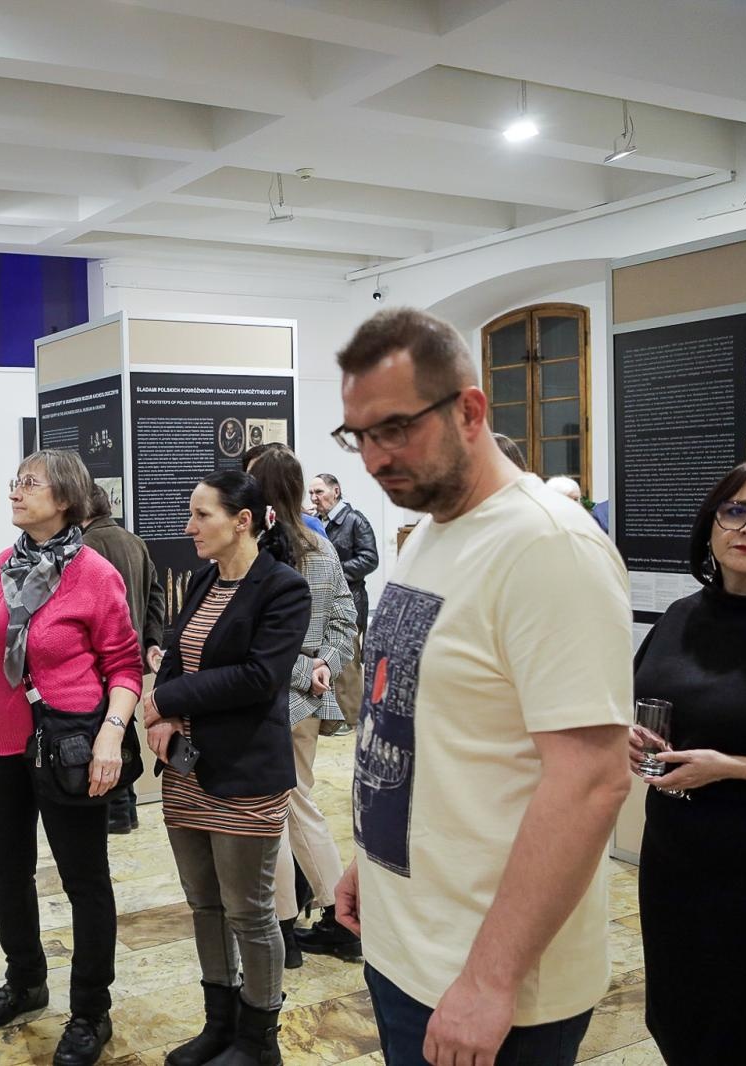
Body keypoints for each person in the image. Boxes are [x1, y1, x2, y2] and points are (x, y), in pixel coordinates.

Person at [330, 308, 633, 1066]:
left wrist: (491, 981)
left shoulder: (548, 547)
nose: (375, 459)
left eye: (395, 429)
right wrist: (375, 859)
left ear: (470, 411)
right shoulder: (433, 530)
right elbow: (420, 725)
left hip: (490, 982)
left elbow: (591, 780)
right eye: (359, 436)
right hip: (409, 944)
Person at [0, 449, 142, 1066]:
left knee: (84, 880)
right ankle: (25, 981)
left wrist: (111, 736)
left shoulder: (94, 573)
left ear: (64, 498)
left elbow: (124, 665)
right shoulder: (1, 567)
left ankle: (90, 1011)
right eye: (15, 481)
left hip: (68, 747)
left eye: (29, 484)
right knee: (6, 872)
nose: (15, 491)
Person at [629, 459, 746, 1064]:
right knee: (682, 1019)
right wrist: (630, 738)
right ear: (712, 524)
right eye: (736, 511)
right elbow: (644, 701)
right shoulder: (681, 616)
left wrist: (732, 766)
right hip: (676, 864)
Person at [144, 470, 310, 1066]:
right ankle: (220, 1025)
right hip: (188, 770)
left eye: (201, 515)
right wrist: (163, 711)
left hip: (245, 775)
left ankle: (259, 1040)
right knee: (205, 904)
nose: (189, 527)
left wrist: (168, 699)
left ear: (242, 521)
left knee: (249, 911)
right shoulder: (205, 577)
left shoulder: (283, 588)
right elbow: (175, 649)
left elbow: (259, 678)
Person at [249, 449, 360, 970]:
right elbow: (345, 622)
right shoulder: (321, 546)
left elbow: (259, 642)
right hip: (308, 699)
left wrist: (307, 670)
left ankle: (307, 922)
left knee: (281, 810)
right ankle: (316, 921)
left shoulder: (260, 554)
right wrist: (323, 668)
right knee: (293, 804)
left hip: (272, 699)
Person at [81, 484, 165, 834]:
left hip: (100, 660)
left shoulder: (84, 547)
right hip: (131, 659)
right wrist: (151, 641)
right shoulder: (135, 542)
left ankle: (117, 811)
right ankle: (126, 809)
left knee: (107, 731)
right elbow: (156, 596)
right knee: (122, 728)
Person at [308, 472, 378, 733]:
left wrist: (334, 572)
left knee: (348, 664)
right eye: (311, 493)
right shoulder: (316, 522)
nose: (314, 498)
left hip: (351, 602)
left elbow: (370, 559)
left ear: (335, 491)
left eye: (319, 492)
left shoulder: (355, 521)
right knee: (329, 661)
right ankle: (335, 720)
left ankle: (352, 719)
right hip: (324, 605)